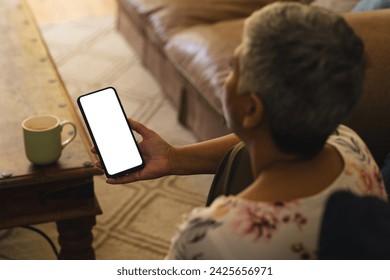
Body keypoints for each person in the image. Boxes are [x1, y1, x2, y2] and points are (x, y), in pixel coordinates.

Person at [94, 2, 387, 259]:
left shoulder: (215, 237)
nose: (228, 77)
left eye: (234, 67)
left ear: (251, 109)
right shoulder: (350, 145)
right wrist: (173, 157)